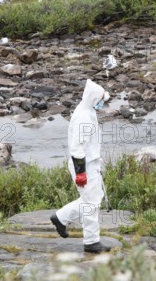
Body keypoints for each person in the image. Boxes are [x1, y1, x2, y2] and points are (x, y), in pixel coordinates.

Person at [50, 79, 111, 253]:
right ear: (93, 99)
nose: (102, 103)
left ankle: (60, 217)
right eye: (100, 100)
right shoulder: (84, 117)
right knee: (90, 203)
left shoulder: (87, 110)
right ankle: (91, 241)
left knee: (93, 198)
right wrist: (81, 172)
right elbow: (77, 148)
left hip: (90, 163)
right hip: (84, 164)